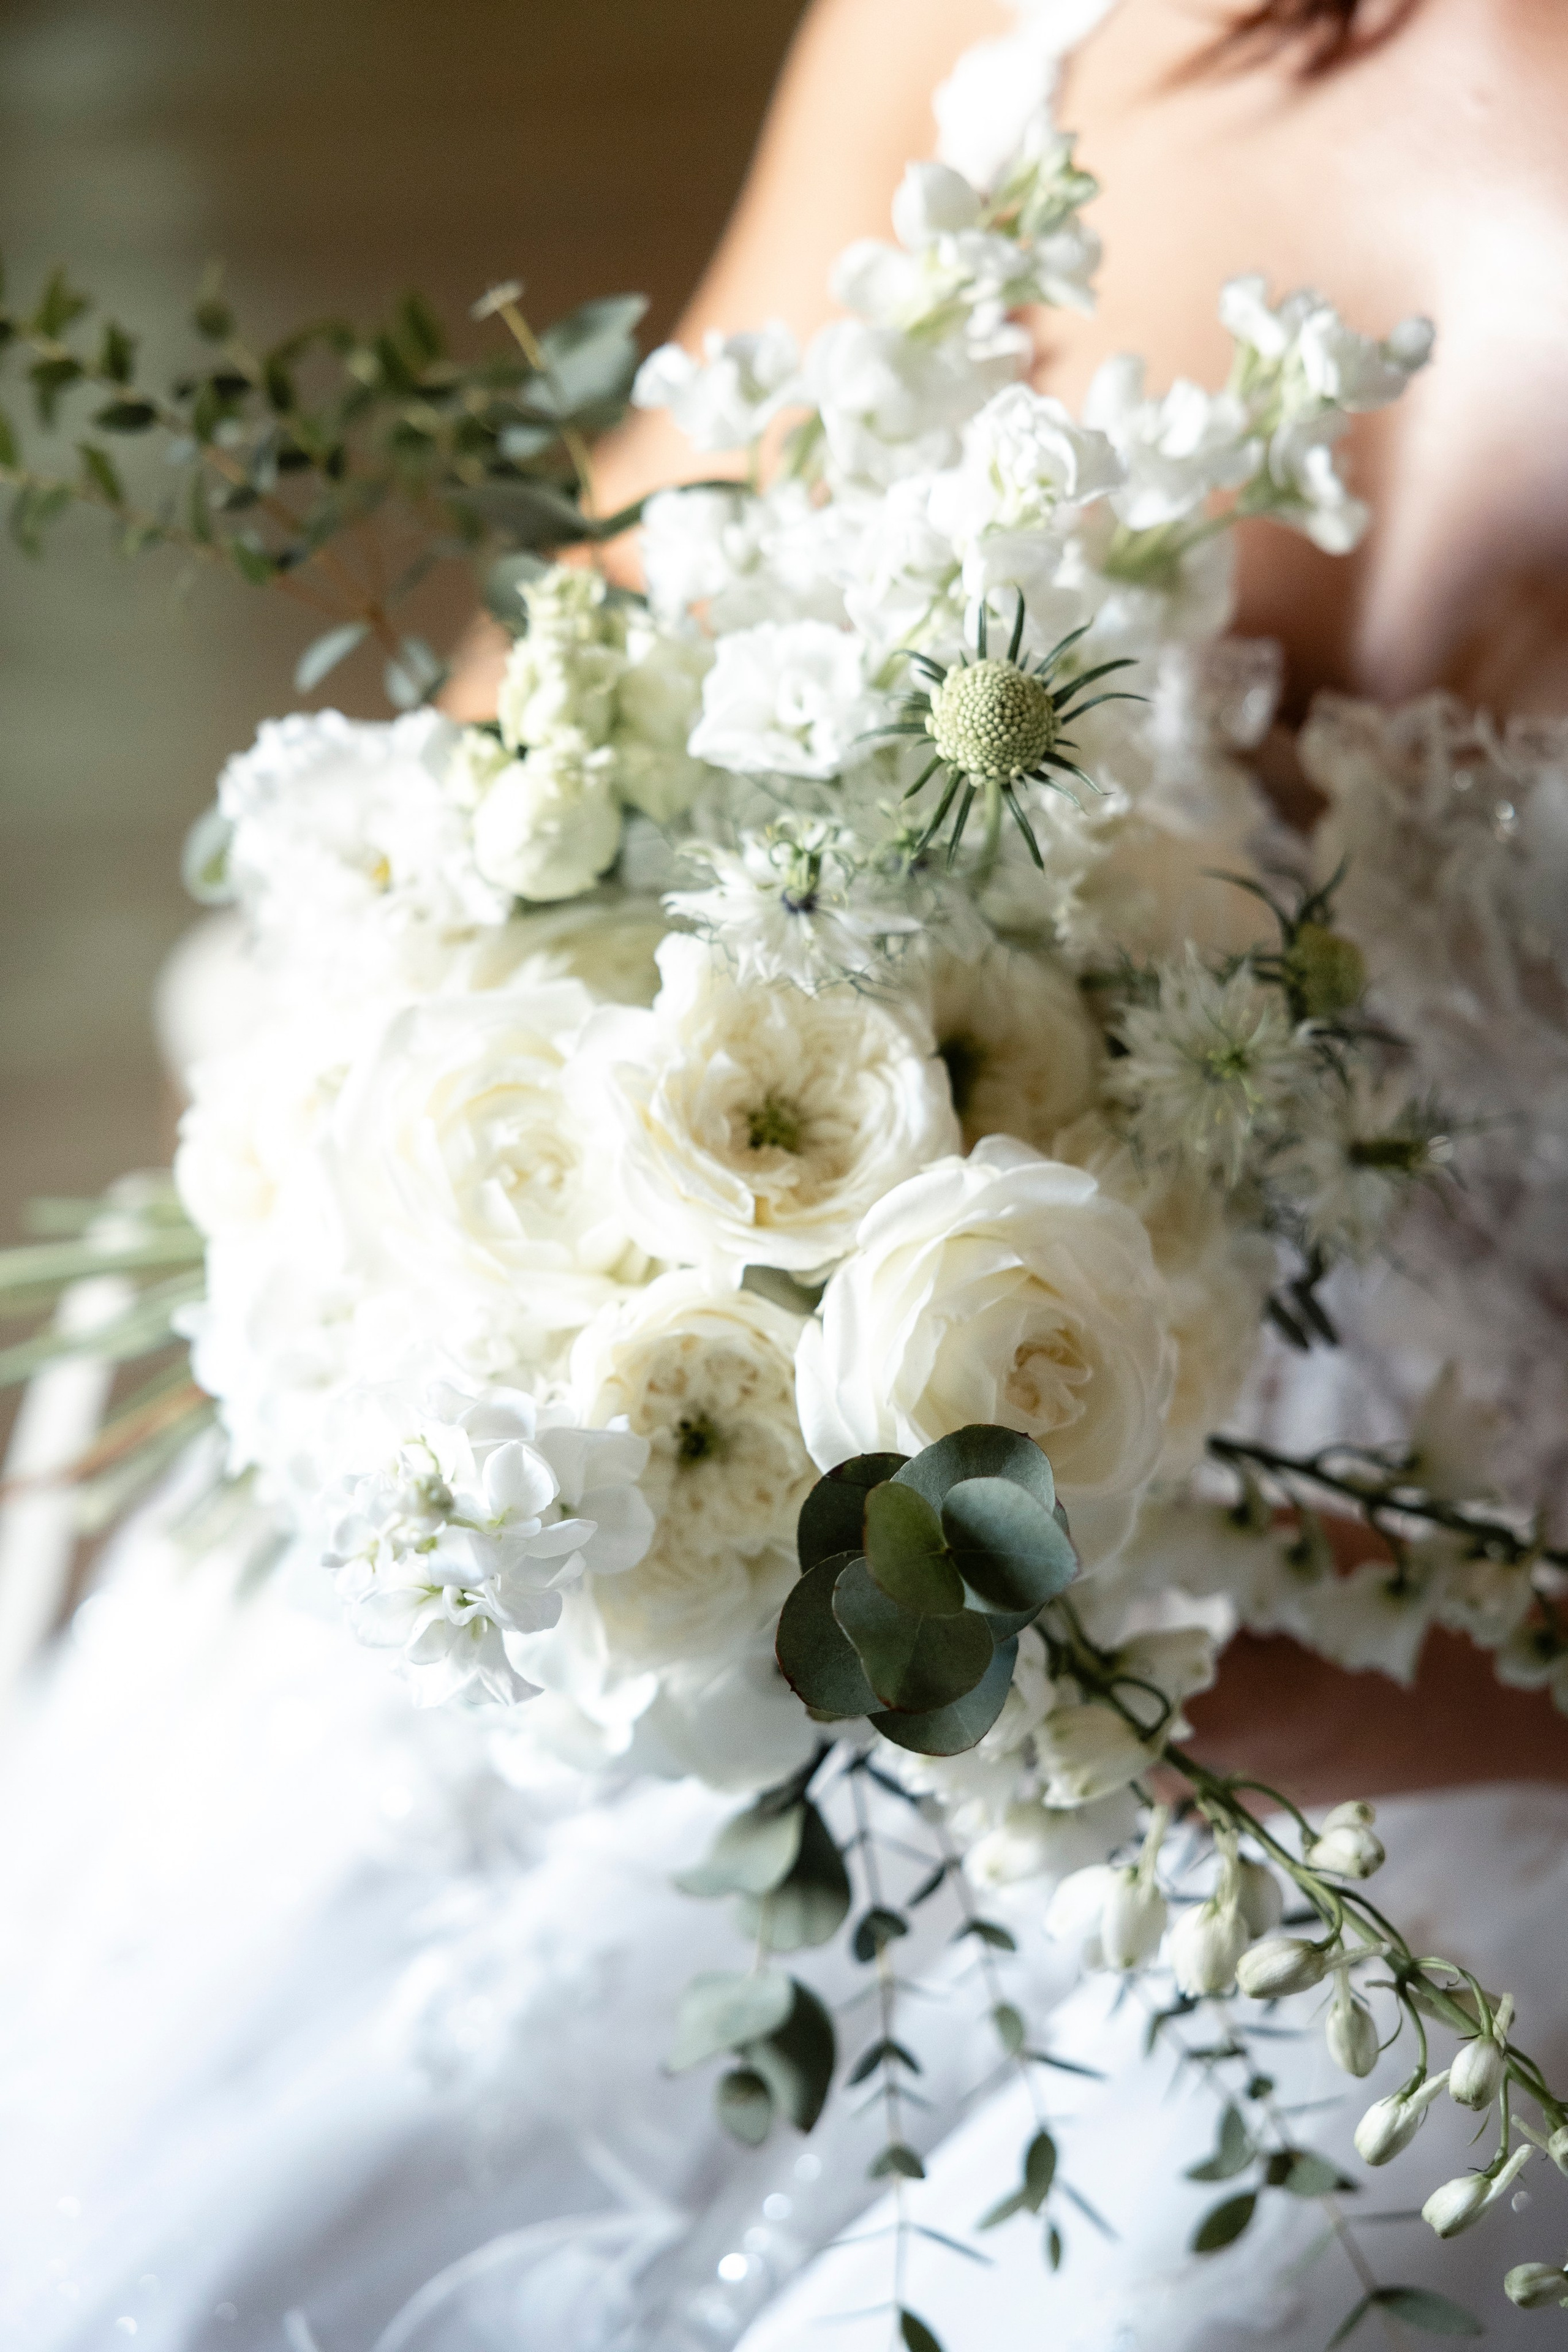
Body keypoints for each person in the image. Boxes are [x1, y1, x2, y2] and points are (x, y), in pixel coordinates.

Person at [4, 7, 1566, 2350]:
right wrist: (456, 1150)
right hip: (709, 1467)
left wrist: (1336, 1663)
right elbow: (618, 605)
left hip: (1420, 1696)